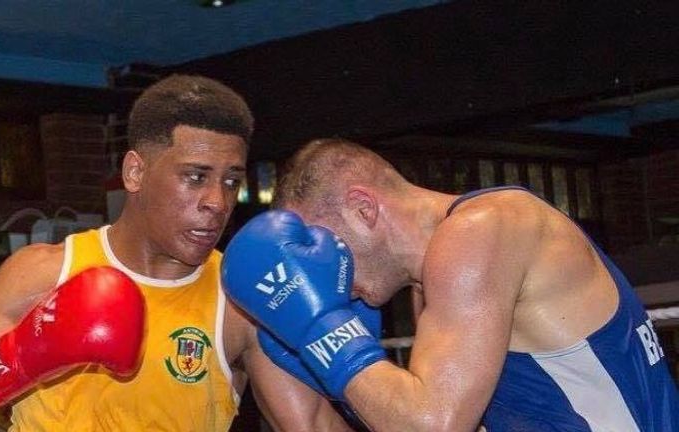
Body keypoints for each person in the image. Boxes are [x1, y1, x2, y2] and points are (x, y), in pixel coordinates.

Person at [0, 76, 356, 431]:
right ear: (135, 172)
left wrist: (338, 336)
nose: (217, 202)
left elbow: (311, 424)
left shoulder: (240, 298)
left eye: (230, 181)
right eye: (196, 177)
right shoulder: (44, 272)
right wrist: (25, 354)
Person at [221, 138, 679, 431]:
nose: (324, 273)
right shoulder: (435, 284)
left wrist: (324, 332)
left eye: (324, 246)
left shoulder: (483, 229)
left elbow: (434, 425)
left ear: (363, 209)